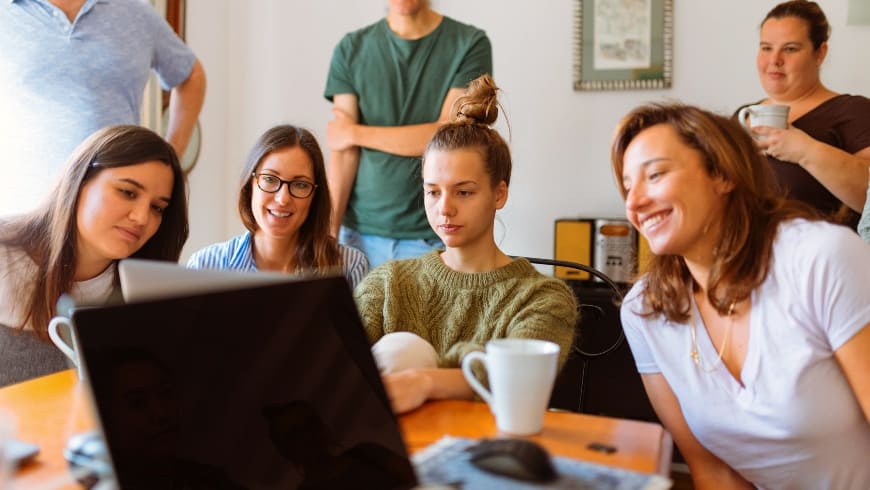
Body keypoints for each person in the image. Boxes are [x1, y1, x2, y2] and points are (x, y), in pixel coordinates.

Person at [612, 102, 870, 489]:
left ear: (722, 174)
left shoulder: (821, 258)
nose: (634, 204)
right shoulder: (644, 310)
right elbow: (713, 473)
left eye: (656, 175)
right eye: (628, 186)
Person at [354, 74, 578, 415]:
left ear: (499, 193)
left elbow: (520, 380)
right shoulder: (387, 284)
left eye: (464, 191)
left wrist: (424, 381)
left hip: (491, 455)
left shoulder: (543, 298)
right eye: (433, 191)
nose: (445, 208)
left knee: (405, 350)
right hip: (390, 458)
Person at [0, 125, 189, 387]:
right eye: (127, 192)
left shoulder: (144, 291)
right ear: (80, 181)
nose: (142, 218)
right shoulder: (4, 254)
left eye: (157, 207)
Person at [324, 0, 492, 268]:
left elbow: (448, 138)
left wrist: (355, 132)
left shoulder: (470, 43)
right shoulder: (351, 49)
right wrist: (328, 236)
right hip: (357, 238)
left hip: (433, 236)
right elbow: (343, 151)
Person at [0, 0, 207, 217]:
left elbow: (192, 76)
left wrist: (171, 158)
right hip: (20, 210)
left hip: (118, 214)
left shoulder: (136, 13)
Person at [735, 0, 870, 228]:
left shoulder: (854, 111)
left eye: (790, 49)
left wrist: (805, 151)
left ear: (820, 53)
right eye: (766, 48)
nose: (774, 60)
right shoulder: (742, 115)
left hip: (821, 261)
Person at [187, 125, 368, 289]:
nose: (283, 199)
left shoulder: (350, 267)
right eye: (270, 179)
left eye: (300, 184)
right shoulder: (204, 267)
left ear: (315, 196)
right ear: (250, 185)